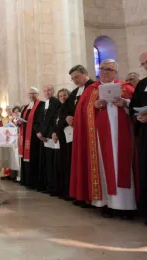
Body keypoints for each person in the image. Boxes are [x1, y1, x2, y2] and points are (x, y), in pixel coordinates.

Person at [72, 59, 136, 219]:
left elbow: (137, 108)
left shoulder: (126, 88)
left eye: (109, 69)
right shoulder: (91, 90)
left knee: (123, 167)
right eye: (102, 69)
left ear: (116, 72)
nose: (105, 71)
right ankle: (106, 204)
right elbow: (82, 113)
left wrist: (125, 103)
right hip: (99, 140)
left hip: (123, 138)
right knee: (102, 167)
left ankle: (125, 206)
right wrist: (95, 106)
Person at [60, 65, 95, 207]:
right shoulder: (75, 93)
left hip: (90, 133)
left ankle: (91, 197)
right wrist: (67, 117)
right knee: (79, 163)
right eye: (73, 78)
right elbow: (63, 111)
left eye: (76, 77)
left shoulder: (93, 88)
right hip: (77, 135)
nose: (74, 80)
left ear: (85, 74)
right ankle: (81, 195)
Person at [129, 50, 147, 225]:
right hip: (145, 134)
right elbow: (134, 106)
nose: (145, 66)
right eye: (144, 64)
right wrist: (138, 116)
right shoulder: (142, 84)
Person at [33, 85, 61, 194]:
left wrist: (47, 134)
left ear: (53, 91)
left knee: (53, 164)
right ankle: (47, 185)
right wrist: (38, 132)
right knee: (46, 163)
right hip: (43, 137)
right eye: (44, 91)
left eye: (49, 90)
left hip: (51, 137)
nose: (47, 92)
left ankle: (54, 187)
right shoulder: (43, 104)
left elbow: (55, 121)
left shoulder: (56, 103)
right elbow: (38, 121)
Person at [18, 87, 41, 189]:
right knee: (25, 159)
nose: (31, 95)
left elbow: (40, 120)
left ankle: (33, 182)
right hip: (25, 135)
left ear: (37, 94)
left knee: (33, 158)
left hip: (34, 137)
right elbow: (23, 119)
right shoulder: (26, 107)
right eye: (30, 93)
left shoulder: (41, 105)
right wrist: (19, 122)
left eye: (34, 93)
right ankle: (25, 180)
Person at [52, 88, 71, 200]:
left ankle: (68, 192)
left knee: (67, 164)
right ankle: (61, 189)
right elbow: (56, 122)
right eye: (60, 96)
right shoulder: (59, 109)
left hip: (67, 139)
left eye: (65, 95)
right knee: (60, 164)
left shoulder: (70, 108)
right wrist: (54, 133)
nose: (63, 97)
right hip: (59, 140)